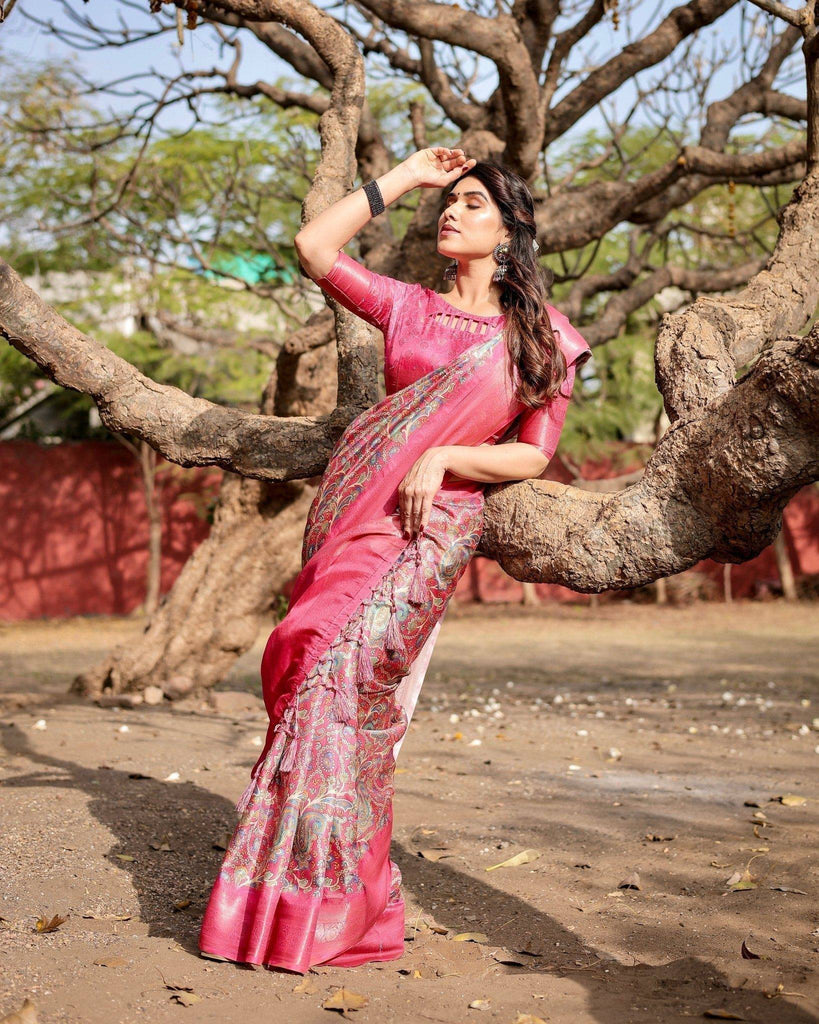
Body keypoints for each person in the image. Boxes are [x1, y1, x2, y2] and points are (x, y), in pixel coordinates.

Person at [198, 149, 592, 974]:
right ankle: (287, 900)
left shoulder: (541, 336)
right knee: (307, 670)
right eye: (446, 203)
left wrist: (444, 457)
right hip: (354, 516)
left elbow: (530, 457)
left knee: (350, 691)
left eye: (471, 203)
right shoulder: (408, 308)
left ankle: (342, 908)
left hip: (430, 527)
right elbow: (313, 247)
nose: (450, 214)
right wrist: (406, 176)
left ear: (511, 230)